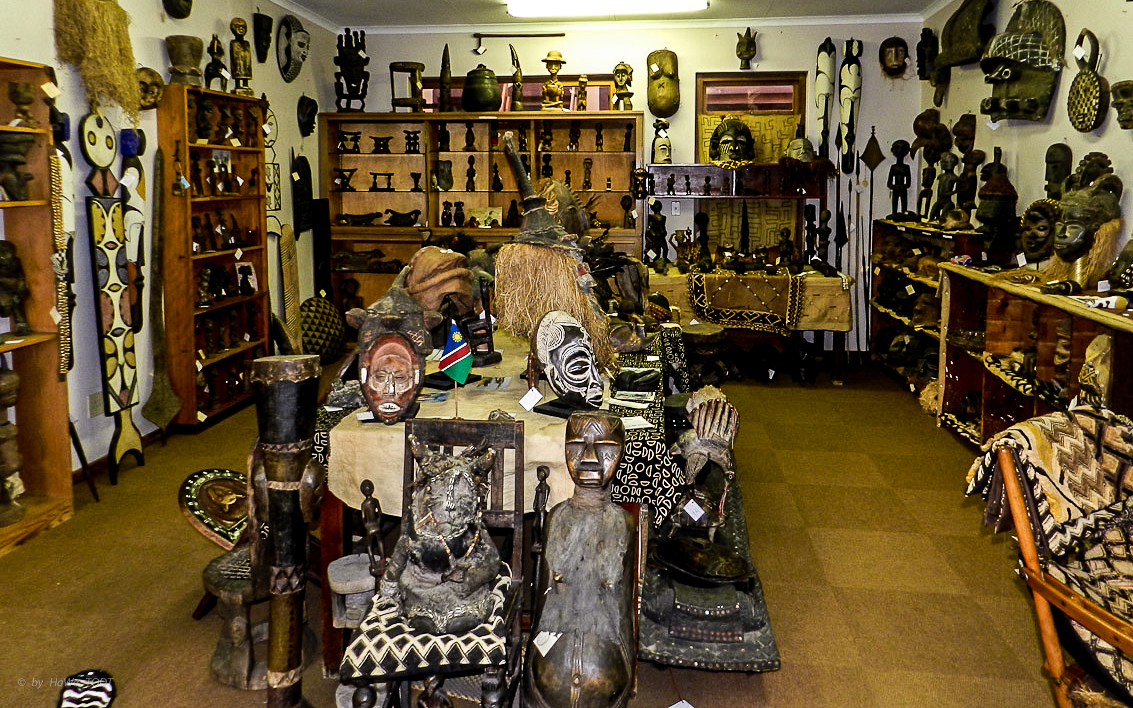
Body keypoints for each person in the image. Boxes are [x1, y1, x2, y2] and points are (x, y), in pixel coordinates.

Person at [525, 412, 634, 708]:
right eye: (575, 446)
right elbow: (542, 606)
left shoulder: (623, 523)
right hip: (548, 672)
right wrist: (529, 675)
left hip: (606, 672)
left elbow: (624, 614)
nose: (588, 459)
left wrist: (628, 677)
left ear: (622, 452)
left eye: (605, 448)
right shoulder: (556, 517)